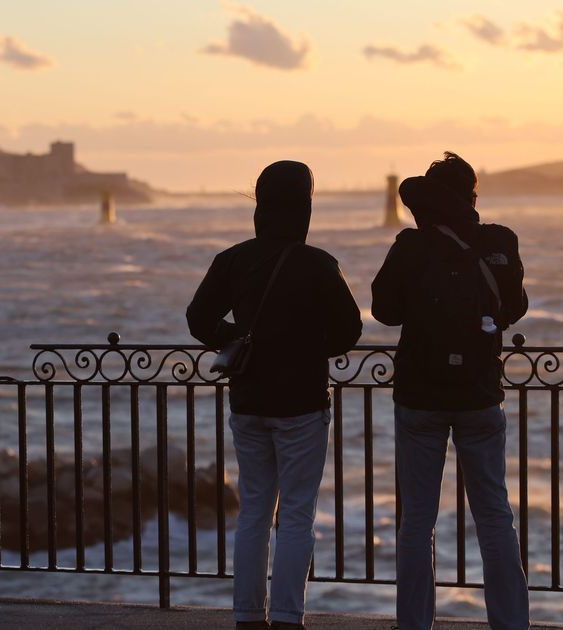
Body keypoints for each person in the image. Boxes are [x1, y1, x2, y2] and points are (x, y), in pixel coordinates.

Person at [187, 160, 363, 630]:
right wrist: (305, 348)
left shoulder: (233, 260)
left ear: (260, 206)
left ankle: (247, 614)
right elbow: (350, 330)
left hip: (248, 401)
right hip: (302, 403)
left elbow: (198, 318)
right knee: (297, 513)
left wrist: (241, 338)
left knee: (253, 510)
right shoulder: (318, 264)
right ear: (304, 207)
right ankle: (287, 615)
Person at [371, 152, 530, 630]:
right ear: (471, 197)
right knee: (494, 516)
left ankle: (414, 624)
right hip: (480, 394)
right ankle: (511, 623)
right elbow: (514, 306)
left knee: (417, 522)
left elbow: (383, 310)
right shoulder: (499, 241)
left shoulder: (410, 246)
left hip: (419, 396)